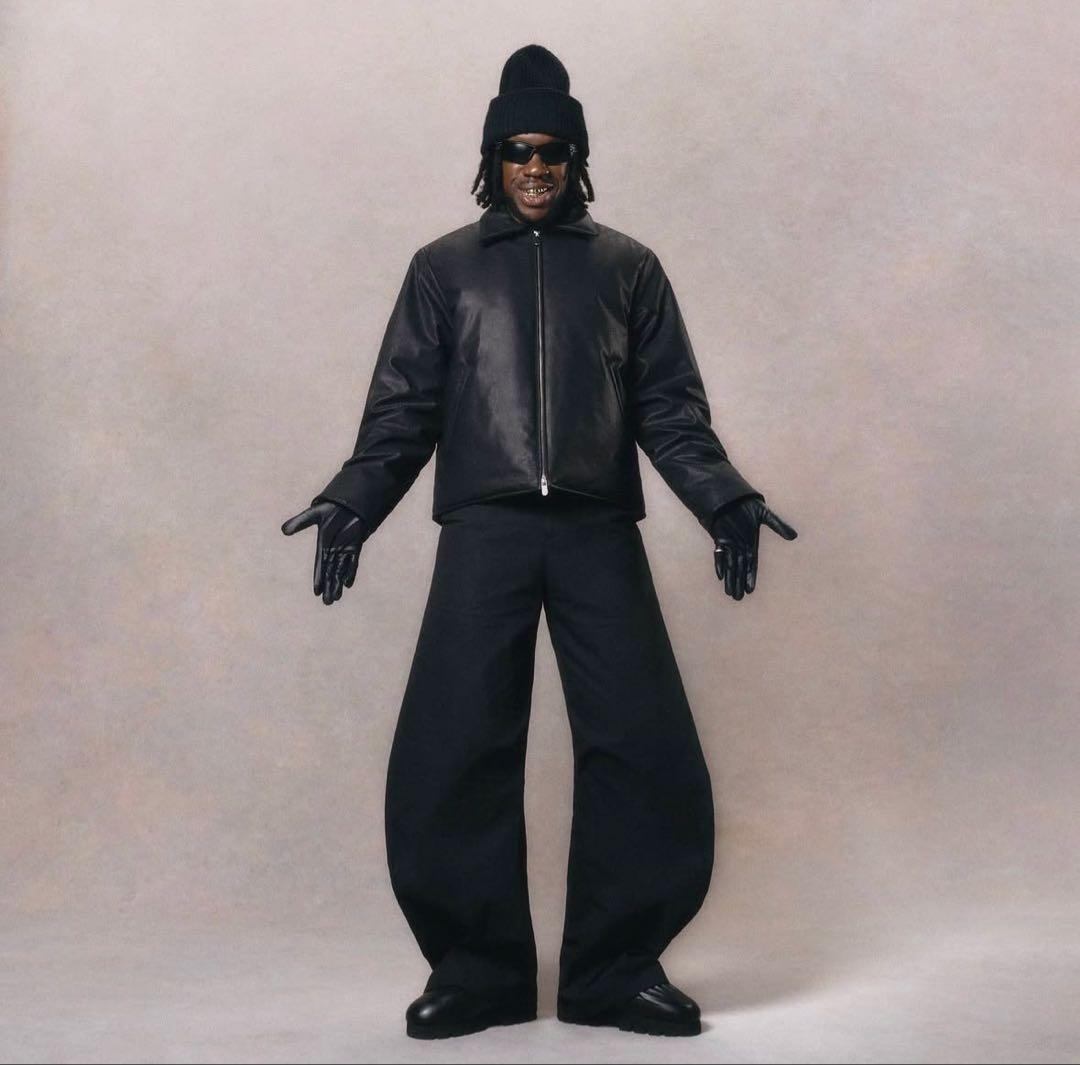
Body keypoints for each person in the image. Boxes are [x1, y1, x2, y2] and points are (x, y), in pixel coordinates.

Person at [282, 43, 798, 1040]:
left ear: (577, 161)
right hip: (485, 526)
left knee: (640, 741)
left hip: (597, 525)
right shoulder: (442, 270)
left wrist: (722, 495)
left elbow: (669, 408)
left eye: (553, 152)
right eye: (517, 150)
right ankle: (478, 971)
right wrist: (354, 497)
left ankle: (614, 968)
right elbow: (404, 409)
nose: (535, 167)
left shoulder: (628, 268)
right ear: (492, 159)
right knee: (455, 743)